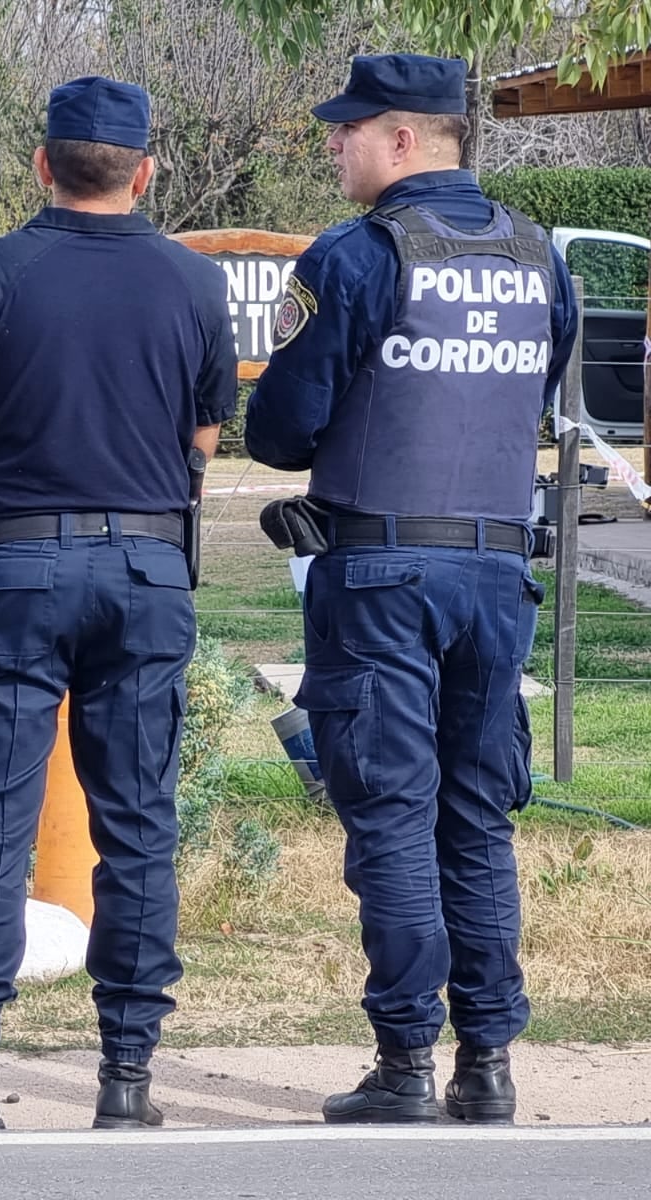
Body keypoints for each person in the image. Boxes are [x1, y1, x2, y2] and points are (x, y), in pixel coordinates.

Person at [244, 53, 580, 1125]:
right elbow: (537, 384)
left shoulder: (356, 254)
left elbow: (282, 428)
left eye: (345, 131)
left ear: (401, 139)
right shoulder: (536, 255)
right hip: (494, 571)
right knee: (475, 817)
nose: (333, 146)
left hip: (380, 569)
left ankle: (403, 1064)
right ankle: (487, 1064)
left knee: (391, 815)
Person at [0, 75, 237, 1132]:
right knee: (136, 827)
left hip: (16, 568)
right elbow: (203, 441)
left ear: (43, 164)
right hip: (144, 573)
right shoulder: (191, 284)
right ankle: (126, 1076)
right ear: (145, 171)